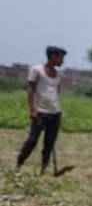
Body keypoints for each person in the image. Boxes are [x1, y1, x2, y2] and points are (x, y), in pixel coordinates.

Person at [16, 45, 67, 174]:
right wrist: (32, 109)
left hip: (55, 113)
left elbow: (56, 93)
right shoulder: (37, 70)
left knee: (49, 143)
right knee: (32, 141)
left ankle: (43, 169)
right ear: (52, 57)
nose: (62, 61)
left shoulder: (59, 75)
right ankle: (19, 165)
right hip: (40, 112)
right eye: (60, 57)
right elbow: (31, 90)